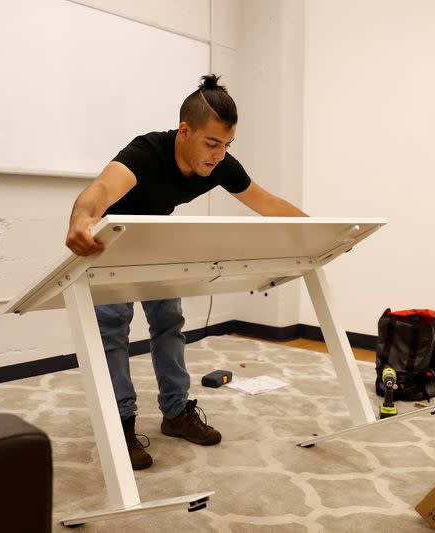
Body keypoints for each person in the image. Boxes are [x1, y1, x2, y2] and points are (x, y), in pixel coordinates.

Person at [65, 74, 306, 470]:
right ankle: (120, 424)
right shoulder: (146, 152)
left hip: (157, 242)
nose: (218, 155)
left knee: (169, 323)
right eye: (211, 143)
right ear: (184, 131)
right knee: (112, 330)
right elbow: (101, 191)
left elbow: (269, 204)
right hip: (113, 244)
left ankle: (176, 413)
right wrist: (81, 218)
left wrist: (320, 231)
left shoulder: (221, 165)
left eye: (227, 145)